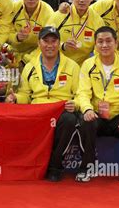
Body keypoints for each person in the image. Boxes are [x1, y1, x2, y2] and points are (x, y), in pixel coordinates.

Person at [5, 26, 80, 182]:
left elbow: (80, 93)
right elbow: (26, 94)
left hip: (62, 110)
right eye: (46, 41)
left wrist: (76, 104)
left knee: (70, 120)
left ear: (59, 43)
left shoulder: (72, 66)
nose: (50, 45)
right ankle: (29, 164)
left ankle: (54, 167)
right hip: (38, 111)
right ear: (39, 43)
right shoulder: (30, 67)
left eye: (54, 41)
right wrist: (16, 98)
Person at [76, 26, 119, 184]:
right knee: (85, 122)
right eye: (100, 41)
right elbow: (83, 92)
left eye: (108, 41)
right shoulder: (88, 65)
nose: (104, 45)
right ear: (95, 44)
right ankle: (87, 166)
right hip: (97, 114)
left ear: (116, 43)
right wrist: (86, 109)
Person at [49, 0, 105, 67]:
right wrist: (63, 46)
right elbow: (45, 41)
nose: (82, 0)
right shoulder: (59, 15)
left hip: (84, 67)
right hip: (58, 65)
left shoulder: (97, 21)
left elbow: (101, 48)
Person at [7, 0, 54, 67]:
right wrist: (16, 37)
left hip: (36, 57)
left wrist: (26, 61)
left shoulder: (48, 13)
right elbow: (5, 33)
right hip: (12, 54)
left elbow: (48, 43)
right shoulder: (14, 8)